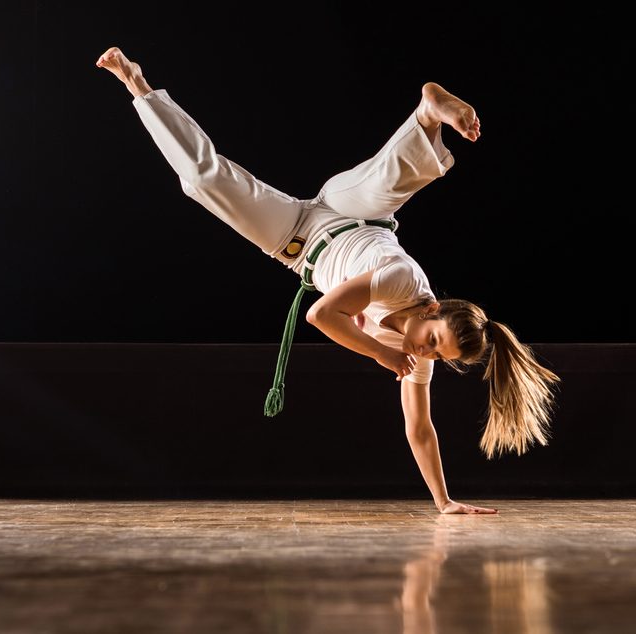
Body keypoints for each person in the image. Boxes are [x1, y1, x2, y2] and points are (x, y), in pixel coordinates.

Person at [96, 47, 559, 515]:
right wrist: (380, 351)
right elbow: (321, 314)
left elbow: (419, 429)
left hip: (295, 237)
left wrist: (444, 502)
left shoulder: (417, 357)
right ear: (433, 310)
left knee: (204, 179)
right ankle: (428, 114)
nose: (426, 352)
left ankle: (137, 84)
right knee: (387, 185)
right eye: (433, 339)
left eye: (438, 355)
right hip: (357, 212)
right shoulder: (404, 282)